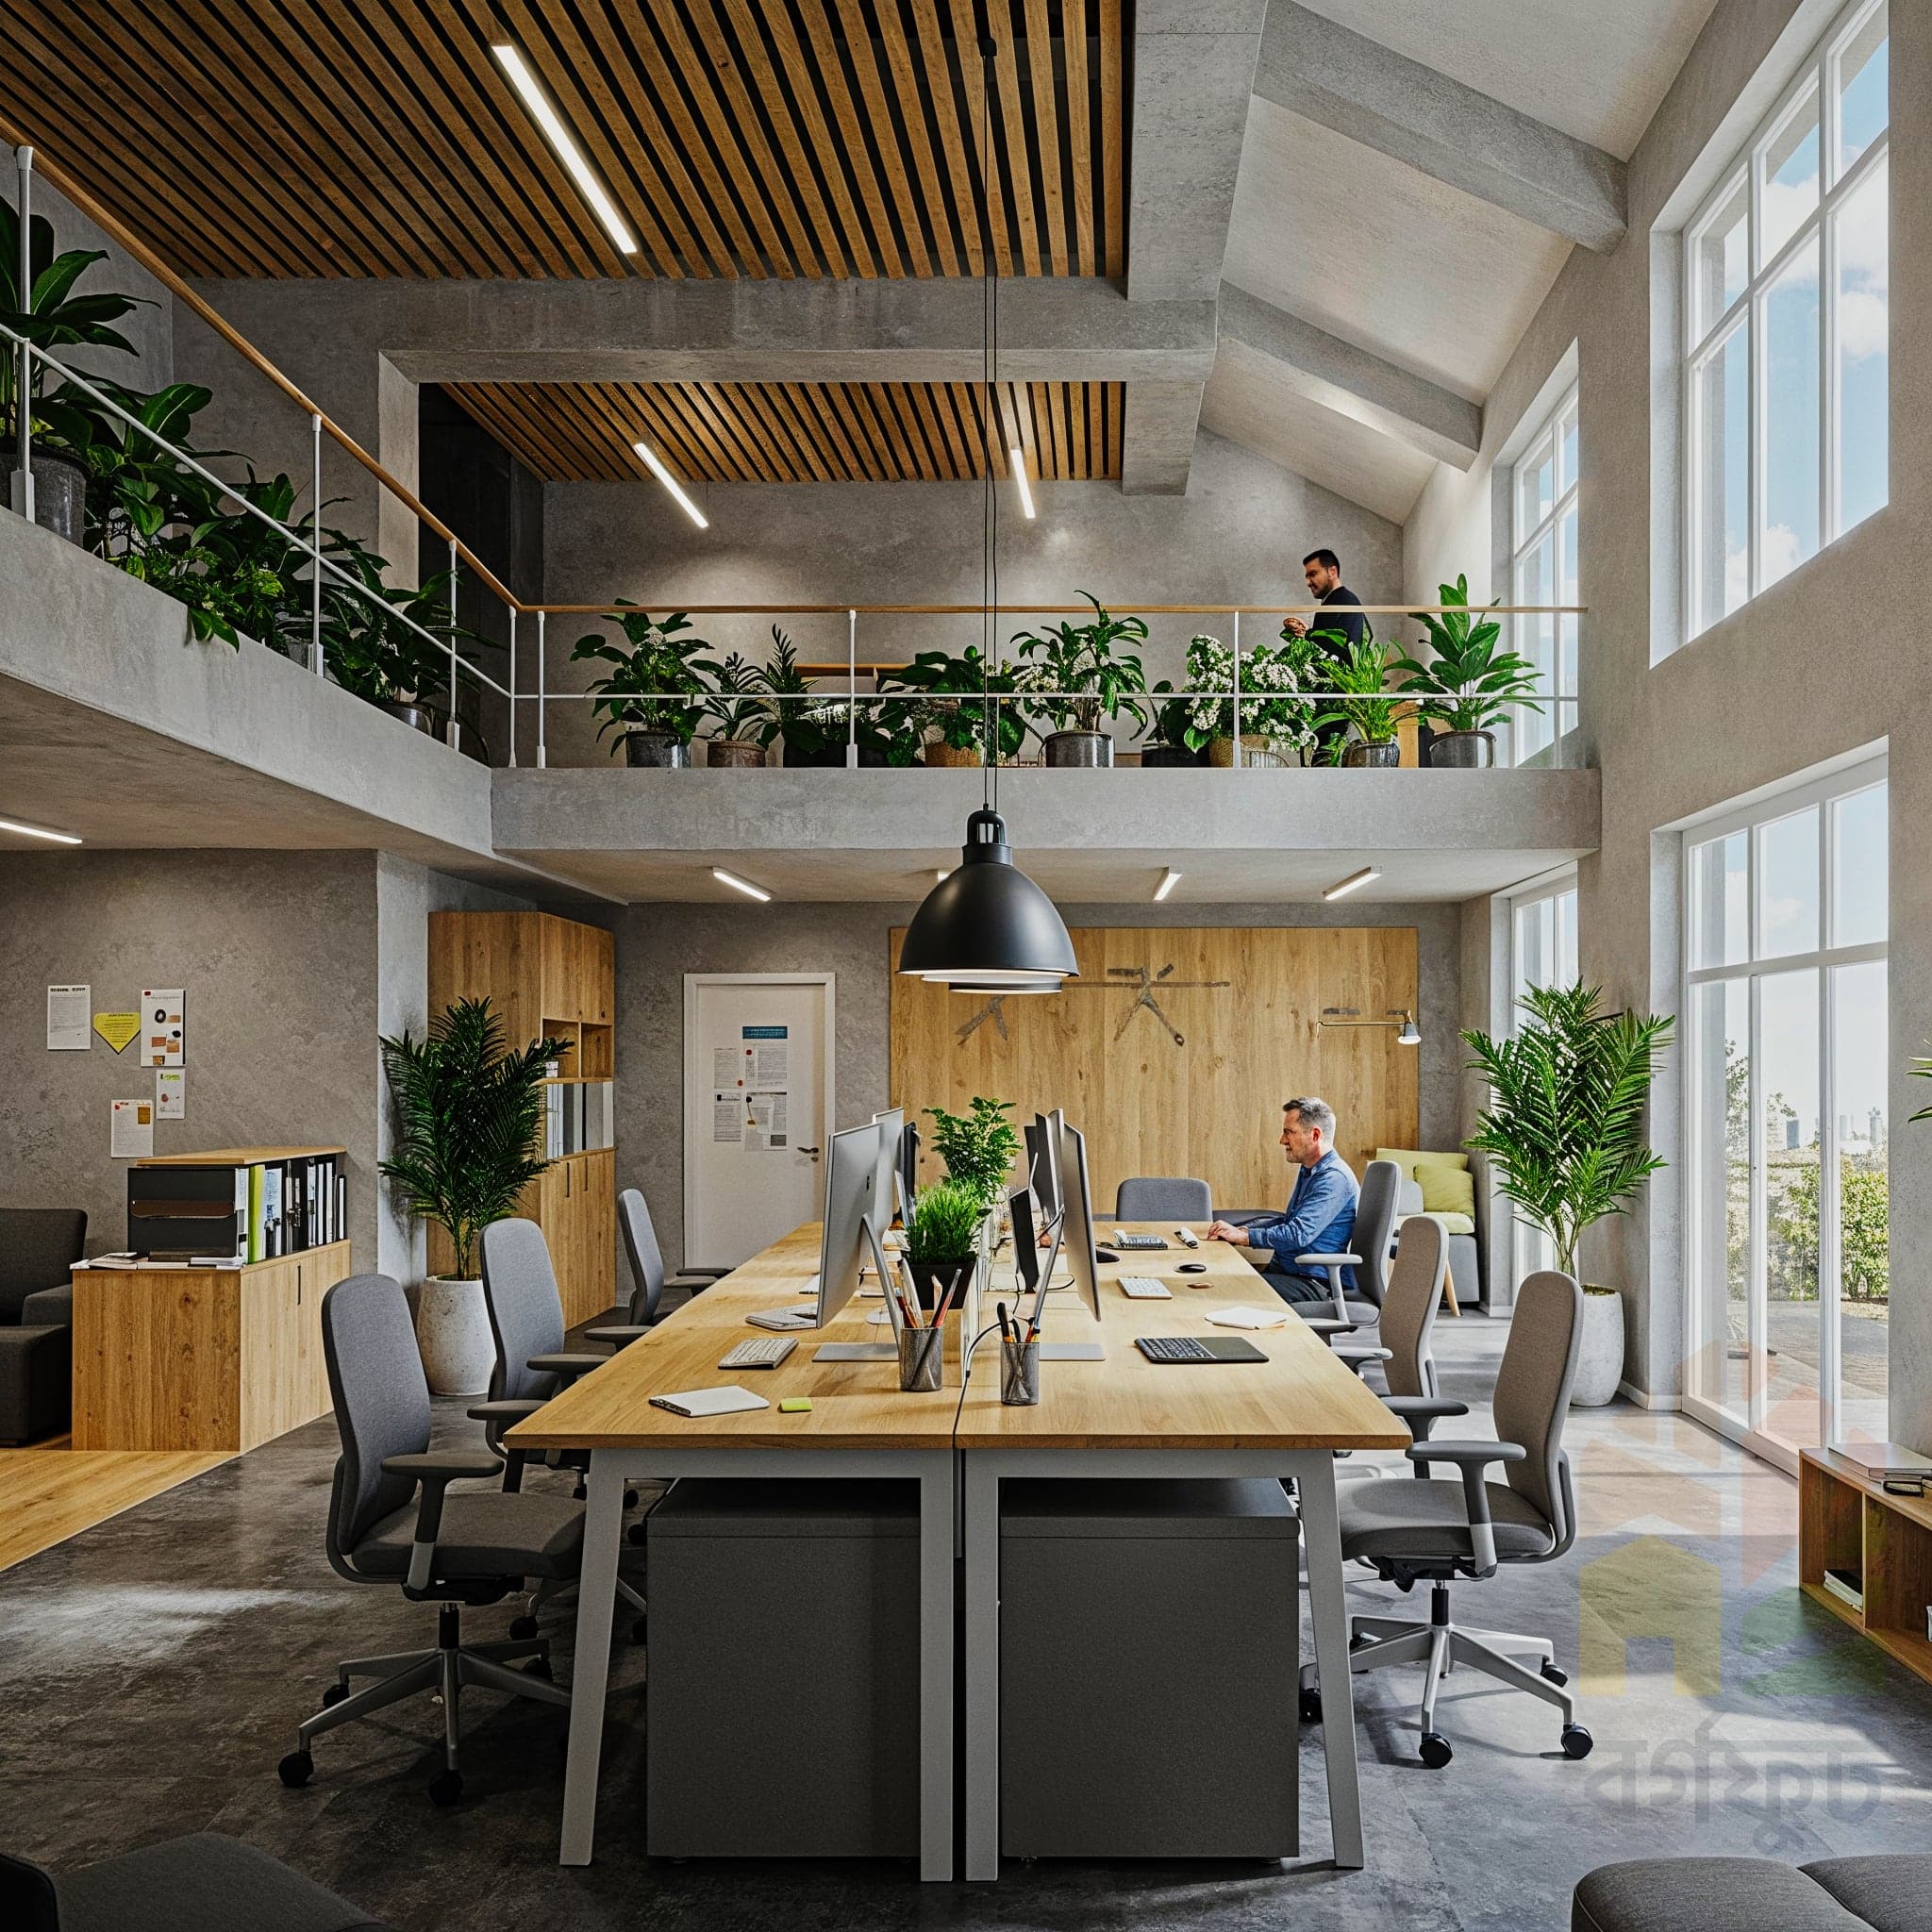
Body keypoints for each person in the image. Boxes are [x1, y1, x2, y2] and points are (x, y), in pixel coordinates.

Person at [1206, 1096, 1359, 1305]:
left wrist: (1244, 1237)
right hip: (1289, 1273)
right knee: (1214, 1279)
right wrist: (1240, 1230)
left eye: (1289, 1132)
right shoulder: (1310, 1171)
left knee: (1225, 1290)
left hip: (1314, 1283)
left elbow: (1297, 1234)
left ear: (1315, 1135)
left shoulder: (1333, 1178)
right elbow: (1289, 1221)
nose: (1282, 1140)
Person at [1284, 548, 1365, 668]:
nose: (1308, 582)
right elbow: (1329, 643)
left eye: (1313, 574)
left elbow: (1346, 653)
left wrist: (1308, 634)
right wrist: (1305, 632)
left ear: (1332, 572)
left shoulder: (1346, 601)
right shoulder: (1333, 601)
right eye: (1307, 577)